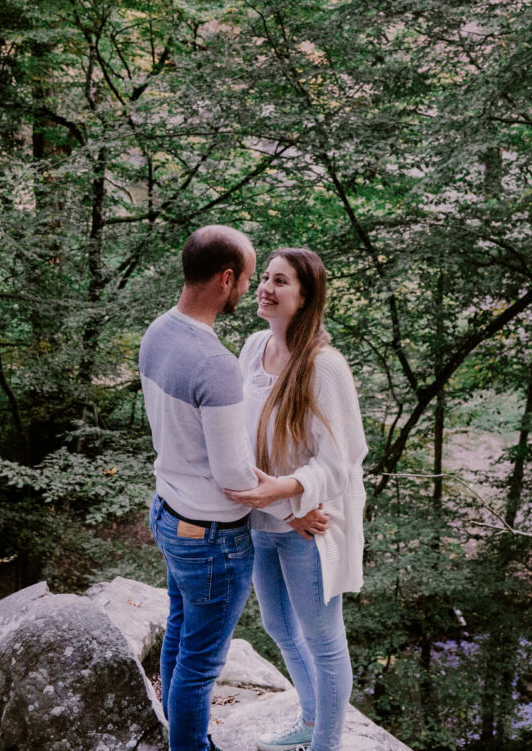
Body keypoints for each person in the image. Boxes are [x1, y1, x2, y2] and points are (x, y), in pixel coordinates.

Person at [140, 225, 313, 751]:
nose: (250, 289)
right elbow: (235, 476)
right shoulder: (215, 362)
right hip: (211, 538)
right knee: (200, 665)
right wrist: (294, 504)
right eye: (248, 278)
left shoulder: (158, 332)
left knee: (179, 633)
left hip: (169, 513)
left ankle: (181, 738)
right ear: (226, 278)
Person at [226, 248, 368, 751]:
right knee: (279, 626)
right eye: (264, 277)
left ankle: (326, 745)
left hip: (309, 521)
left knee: (324, 641)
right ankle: (309, 722)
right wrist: (265, 498)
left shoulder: (324, 366)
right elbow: (236, 434)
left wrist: (288, 494)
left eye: (280, 280)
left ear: (305, 297)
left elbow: (340, 459)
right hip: (261, 517)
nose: (265, 286)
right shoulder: (252, 348)